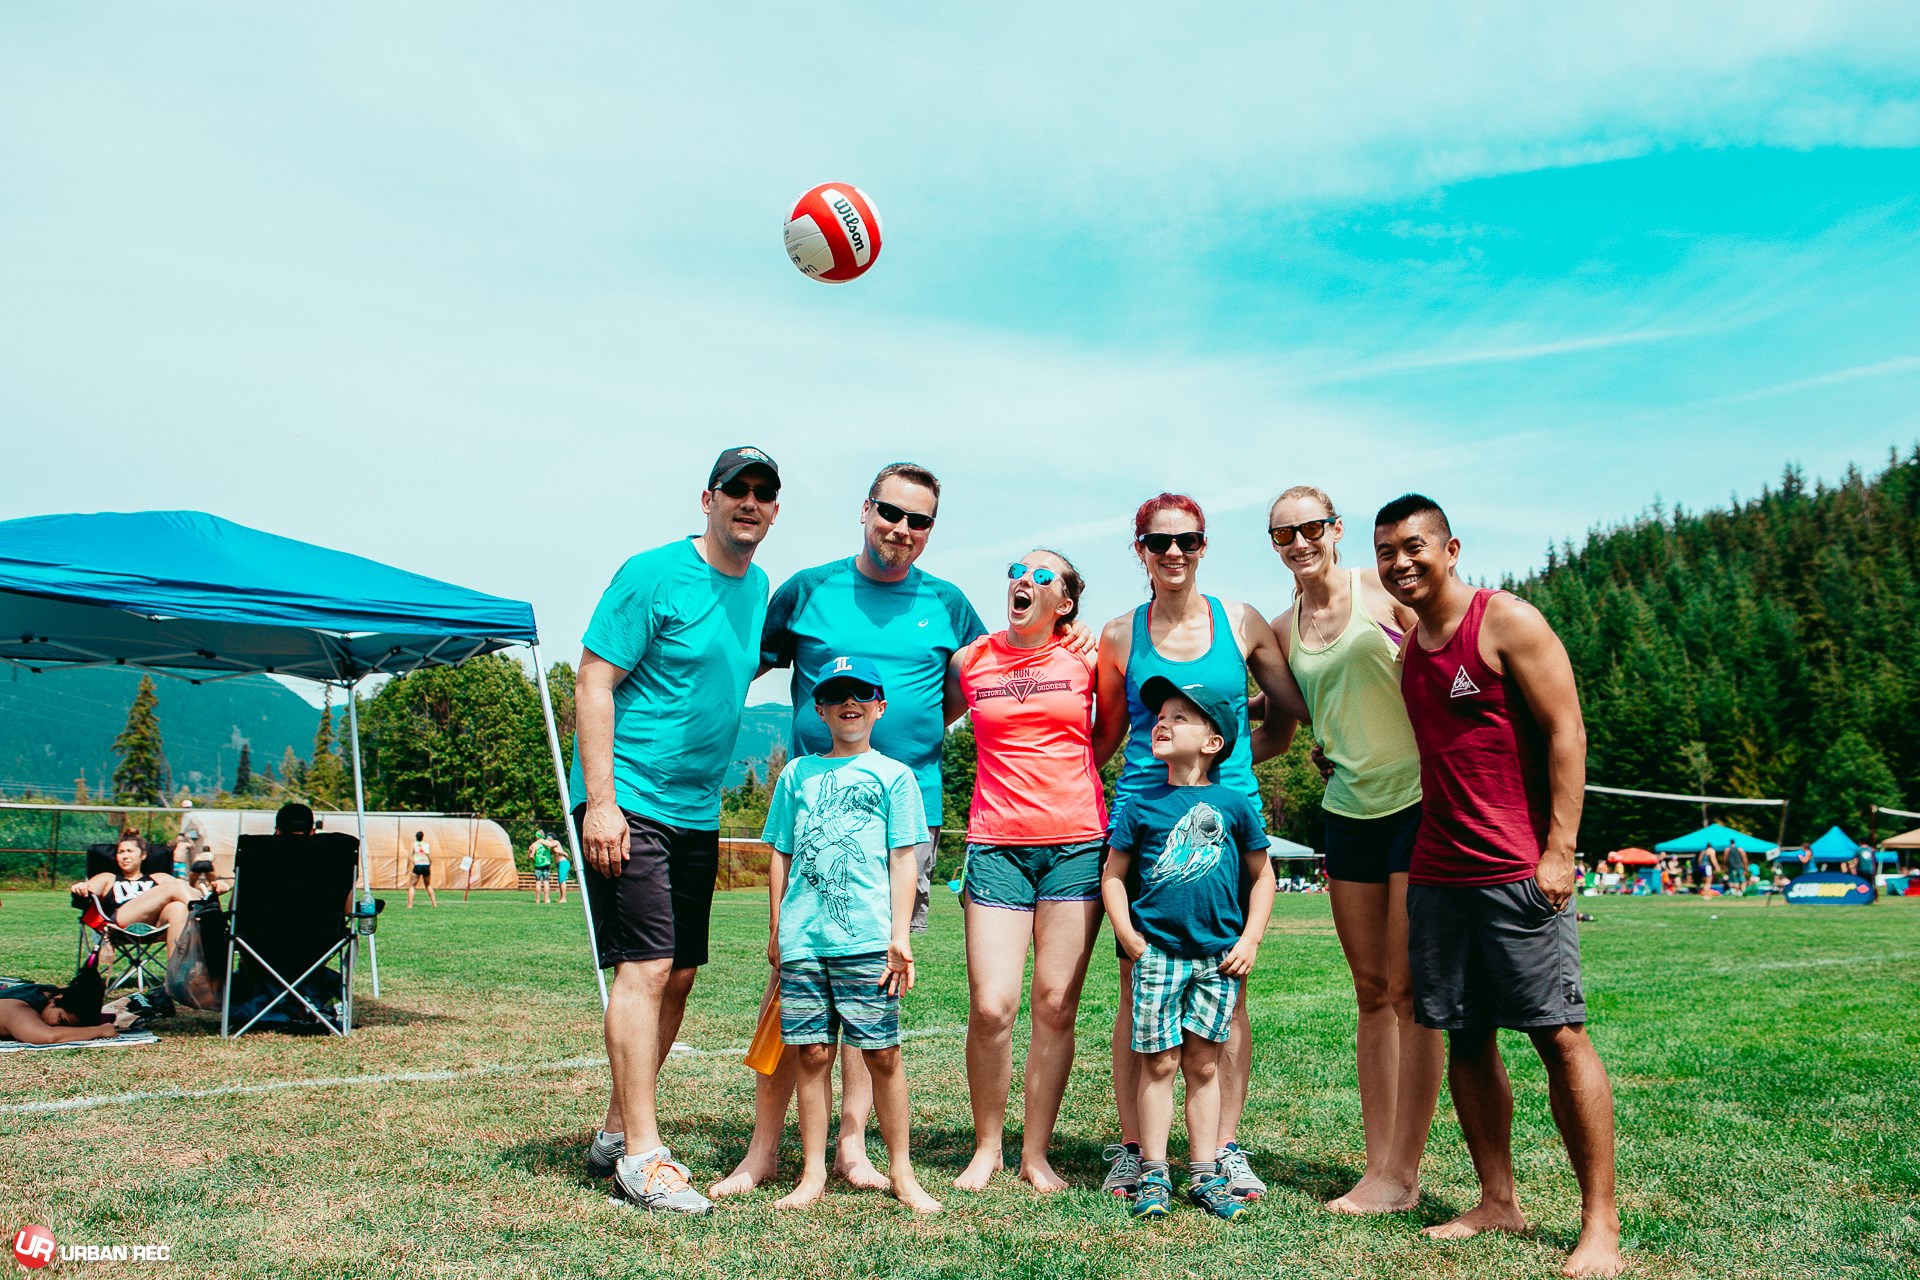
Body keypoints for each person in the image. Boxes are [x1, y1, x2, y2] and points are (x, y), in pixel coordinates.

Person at [714, 462, 990, 1198]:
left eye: (919, 520)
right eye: (890, 512)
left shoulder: (950, 605)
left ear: (932, 529)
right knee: (791, 984)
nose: (902, 529)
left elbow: (968, 691)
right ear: (865, 509)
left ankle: (854, 1150)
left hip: (905, 818)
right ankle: (763, 1152)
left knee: (873, 986)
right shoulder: (806, 590)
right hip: (813, 812)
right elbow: (744, 658)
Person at [1375, 493, 1622, 1278]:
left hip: (1517, 871)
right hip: (1439, 871)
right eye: (1387, 553)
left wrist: (1560, 848)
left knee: (1558, 1035)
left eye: (1414, 546)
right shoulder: (1410, 646)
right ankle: (1498, 1200)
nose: (1400, 562)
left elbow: (1567, 731)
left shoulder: (1507, 620)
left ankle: (1600, 1225)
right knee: (1465, 1035)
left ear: (1451, 548)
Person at [573, 445, 780, 1215]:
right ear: (708, 498)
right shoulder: (651, 574)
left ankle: (613, 1129)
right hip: (628, 797)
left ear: (774, 509)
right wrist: (601, 803)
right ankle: (642, 1158)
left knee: (681, 974)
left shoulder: (757, 588)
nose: (749, 502)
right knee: (648, 968)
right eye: (737, 489)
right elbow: (594, 679)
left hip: (696, 808)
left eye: (763, 493)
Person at [1090, 492, 1309, 1203]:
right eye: (1159, 543)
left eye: (1188, 540)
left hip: (1227, 817)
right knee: (1138, 988)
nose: (1174, 553)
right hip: (1144, 818)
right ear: (1140, 550)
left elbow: (1287, 711)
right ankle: (1136, 1151)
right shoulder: (1121, 634)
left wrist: (1238, 769)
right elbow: (1107, 735)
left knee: (1227, 993)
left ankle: (1222, 1149)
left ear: (1205, 545)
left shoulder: (1238, 621)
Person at [1263, 483, 1443, 1214]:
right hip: (1349, 811)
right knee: (1371, 996)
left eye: (1311, 527)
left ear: (1336, 529)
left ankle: (1404, 1171)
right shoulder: (1282, 628)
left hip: (1418, 803)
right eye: (1283, 535)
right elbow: (1293, 718)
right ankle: (1379, 1168)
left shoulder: (1385, 591)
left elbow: (1448, 655)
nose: (1300, 542)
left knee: (1409, 995)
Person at [946, 550, 1105, 1193]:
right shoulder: (972, 659)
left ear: (1064, 603)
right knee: (990, 1006)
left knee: (1054, 1005)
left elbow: (1111, 731)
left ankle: (1035, 1153)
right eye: (1018, 570)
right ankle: (987, 1146)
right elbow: (930, 726)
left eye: (1044, 577)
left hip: (1076, 844)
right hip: (995, 846)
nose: (1025, 581)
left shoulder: (1090, 658)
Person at [759, 656, 941, 1214]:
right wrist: (777, 930)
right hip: (806, 942)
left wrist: (900, 934)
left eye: (861, 694)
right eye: (837, 696)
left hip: (868, 940)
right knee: (811, 1054)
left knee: (881, 1054)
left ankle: (903, 1172)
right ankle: (812, 1172)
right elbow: (780, 855)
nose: (849, 704)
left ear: (880, 706)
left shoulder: (895, 776)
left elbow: (904, 859)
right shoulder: (797, 775)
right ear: (820, 710)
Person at [1100, 678, 1276, 1222]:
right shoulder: (1140, 804)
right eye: (1159, 716)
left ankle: (1204, 1172)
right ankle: (1153, 1171)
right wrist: (1129, 936)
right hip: (1157, 955)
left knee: (1203, 1066)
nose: (1162, 723)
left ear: (1212, 741)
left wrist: (1249, 939)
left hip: (1218, 958)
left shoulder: (1235, 804)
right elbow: (1113, 875)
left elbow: (1262, 876)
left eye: (1180, 717)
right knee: (1158, 1064)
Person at [71, 831, 209, 960]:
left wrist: (211, 890)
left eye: (130, 851)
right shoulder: (108, 878)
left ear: (143, 855)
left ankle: (176, 978)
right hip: (121, 925)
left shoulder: (159, 878)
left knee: (178, 907)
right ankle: (211, 925)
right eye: (120, 852)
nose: (125, 856)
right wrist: (80, 887)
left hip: (156, 927)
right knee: (176, 884)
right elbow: (88, 890)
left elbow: (191, 892)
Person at [0, 960, 121, 1045]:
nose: (59, 1028)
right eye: (61, 1020)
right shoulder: (15, 1006)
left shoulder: (44, 993)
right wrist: (101, 1031)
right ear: (55, 1000)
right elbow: (48, 1036)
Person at [408, 830, 436, 908]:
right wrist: (429, 865)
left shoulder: (414, 844)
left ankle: (410, 905)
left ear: (416, 837)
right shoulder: (427, 845)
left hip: (418, 865)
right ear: (422, 837)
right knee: (428, 885)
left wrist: (413, 863)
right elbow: (430, 857)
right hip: (426, 865)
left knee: (412, 886)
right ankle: (435, 904)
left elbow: (410, 855)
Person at [530, 831, 557, 904]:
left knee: (538, 882)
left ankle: (537, 900)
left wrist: (535, 861)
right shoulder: (547, 843)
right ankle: (546, 899)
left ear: (537, 836)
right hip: (546, 865)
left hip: (538, 865)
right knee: (546, 882)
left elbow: (531, 855)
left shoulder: (535, 844)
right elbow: (553, 847)